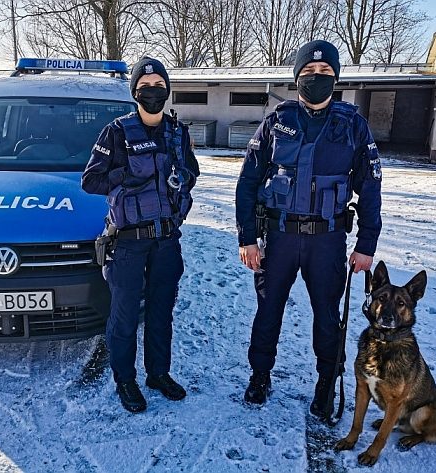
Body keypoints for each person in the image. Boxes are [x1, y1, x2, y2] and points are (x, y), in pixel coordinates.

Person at [235, 40, 382, 419]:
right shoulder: (276, 122)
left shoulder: (352, 125)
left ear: (336, 78)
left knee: (326, 317)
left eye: (325, 73)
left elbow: (370, 187)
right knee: (268, 311)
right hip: (280, 237)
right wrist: (247, 237)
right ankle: (260, 375)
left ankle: (325, 384)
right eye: (308, 73)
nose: (316, 79)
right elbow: (248, 183)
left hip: (327, 240)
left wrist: (366, 244)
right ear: (296, 77)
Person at [81, 57, 199, 413]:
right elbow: (90, 181)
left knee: (162, 312)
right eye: (145, 85)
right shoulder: (116, 132)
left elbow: (191, 172)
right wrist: (127, 177)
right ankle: (126, 379)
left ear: (167, 89)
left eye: (158, 84)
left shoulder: (178, 132)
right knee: (125, 315)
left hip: (166, 239)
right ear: (135, 91)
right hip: (129, 242)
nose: (152, 90)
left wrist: (181, 180)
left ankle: (158, 374)